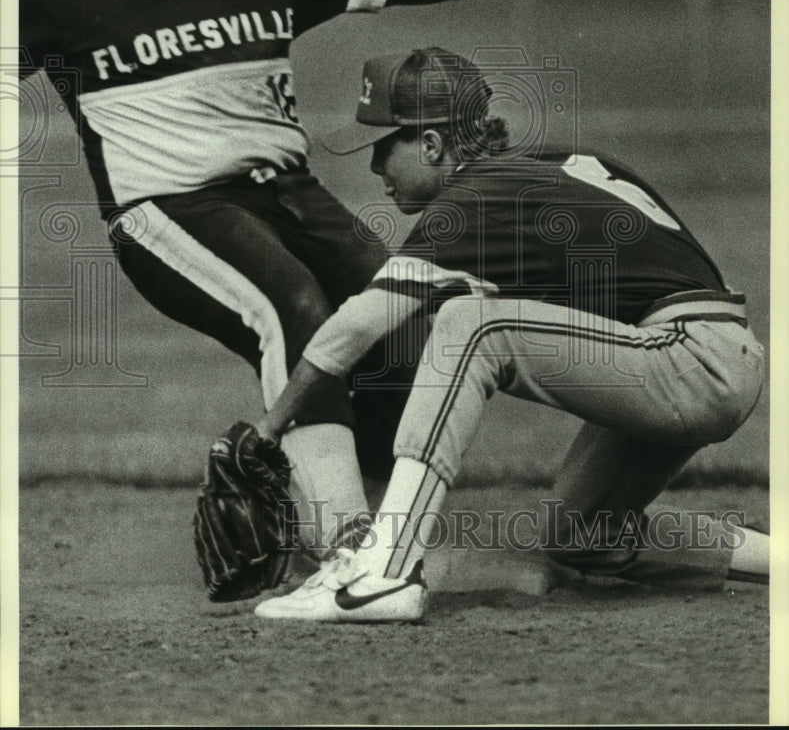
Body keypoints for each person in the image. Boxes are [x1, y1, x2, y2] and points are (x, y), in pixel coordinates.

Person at [19, 0, 598, 555]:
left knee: (398, 316)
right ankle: (340, 533)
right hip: (169, 210)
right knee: (290, 306)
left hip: (289, 195)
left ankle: (368, 511)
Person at [255, 46, 768, 622]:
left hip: (691, 358)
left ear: (431, 144)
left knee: (475, 329)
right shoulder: (555, 169)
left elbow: (352, 330)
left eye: (383, 145)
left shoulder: (475, 200)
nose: (376, 167)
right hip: (705, 354)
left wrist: (266, 432)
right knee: (580, 533)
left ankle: (385, 571)